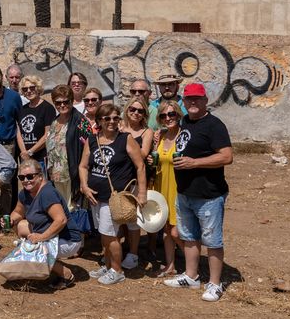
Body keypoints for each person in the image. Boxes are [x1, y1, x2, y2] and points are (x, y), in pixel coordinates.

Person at [164, 82, 233, 302]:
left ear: (205, 101)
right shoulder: (184, 122)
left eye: (197, 99)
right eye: (189, 99)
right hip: (185, 193)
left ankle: (215, 283)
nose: (192, 103)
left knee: (212, 241)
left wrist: (195, 163)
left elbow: (226, 156)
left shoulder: (214, 125)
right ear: (183, 102)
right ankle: (191, 276)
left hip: (209, 196)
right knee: (189, 237)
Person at [79, 103, 147, 286]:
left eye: (116, 118)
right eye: (107, 118)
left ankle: (117, 270)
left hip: (115, 197)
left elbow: (140, 166)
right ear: (99, 120)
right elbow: (83, 166)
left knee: (110, 235)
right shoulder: (92, 140)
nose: (111, 121)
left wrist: (142, 193)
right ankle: (108, 264)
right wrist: (84, 186)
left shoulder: (125, 139)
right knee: (104, 233)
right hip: (95, 196)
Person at [9, 160, 81, 288]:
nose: (26, 180)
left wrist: (41, 238)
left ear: (40, 176)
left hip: (67, 240)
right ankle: (47, 259)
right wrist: (10, 220)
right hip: (51, 235)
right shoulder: (25, 193)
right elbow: (18, 213)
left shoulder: (47, 193)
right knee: (20, 226)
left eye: (30, 176)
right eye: (22, 177)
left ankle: (66, 275)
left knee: (30, 249)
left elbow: (61, 220)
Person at [43, 84, 95, 207]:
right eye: (58, 102)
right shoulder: (54, 121)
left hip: (71, 174)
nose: (62, 105)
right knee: (60, 207)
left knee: (72, 208)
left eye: (66, 101)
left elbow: (88, 149)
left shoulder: (80, 122)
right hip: (55, 174)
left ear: (72, 101)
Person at [151, 99, 183, 276]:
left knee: (176, 232)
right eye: (163, 115)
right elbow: (157, 161)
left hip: (178, 189)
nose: (168, 118)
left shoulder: (184, 135)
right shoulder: (161, 136)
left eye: (171, 114)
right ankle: (170, 265)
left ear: (178, 114)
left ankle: (194, 261)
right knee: (166, 231)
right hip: (161, 187)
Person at [16, 75, 56, 172]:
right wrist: (24, 153)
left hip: (41, 158)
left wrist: (30, 152)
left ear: (38, 88)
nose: (29, 91)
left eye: (32, 87)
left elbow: (48, 134)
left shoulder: (47, 108)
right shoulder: (22, 109)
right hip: (25, 158)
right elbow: (18, 133)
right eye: (25, 89)